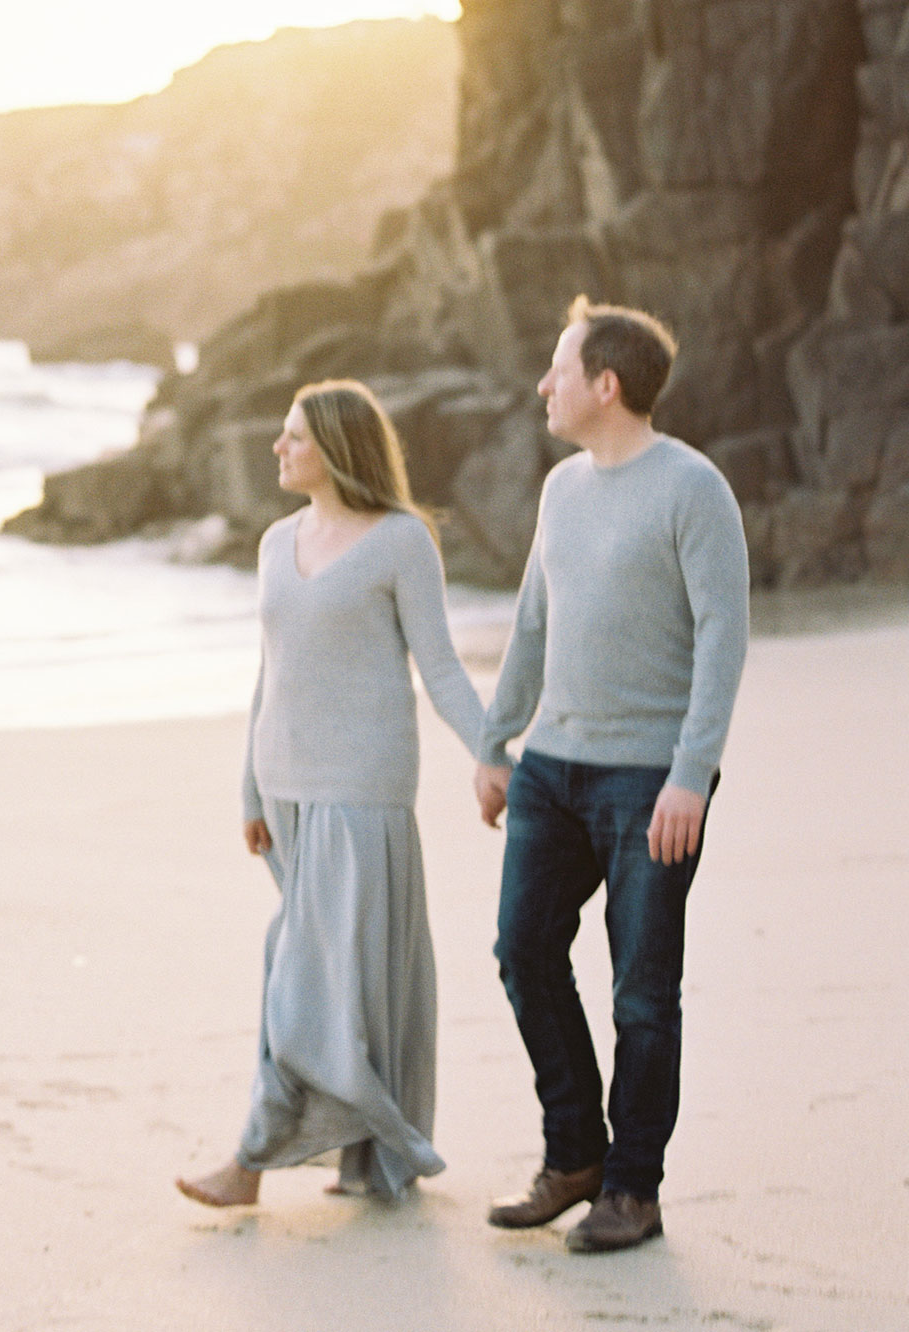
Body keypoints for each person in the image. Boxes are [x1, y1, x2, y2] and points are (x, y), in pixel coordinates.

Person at [475, 297, 749, 1253]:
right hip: (553, 766)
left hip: (650, 781)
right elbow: (532, 625)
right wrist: (494, 741)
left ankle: (633, 1188)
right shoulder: (561, 490)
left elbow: (723, 635)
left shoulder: (693, 488)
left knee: (642, 989)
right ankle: (574, 1155)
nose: (543, 385)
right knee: (523, 951)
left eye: (559, 369)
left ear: (607, 384)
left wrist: (691, 773)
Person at [176, 379, 485, 1208]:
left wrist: (493, 754)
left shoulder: (400, 542)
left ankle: (249, 1162)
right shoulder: (276, 542)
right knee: (344, 978)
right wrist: (248, 786)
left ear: (340, 449)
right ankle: (373, 1155)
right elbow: (269, 672)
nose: (278, 448)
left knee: (301, 977)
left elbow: (442, 666)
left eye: (295, 437)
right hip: (284, 791)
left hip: (362, 789)